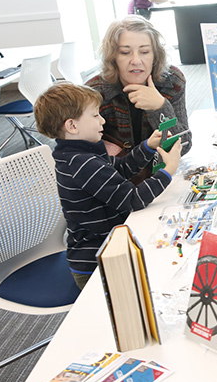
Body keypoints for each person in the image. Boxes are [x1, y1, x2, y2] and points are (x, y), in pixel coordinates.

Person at [34, 82, 181, 289]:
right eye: (95, 115)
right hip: (97, 262)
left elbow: (119, 169)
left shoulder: (78, 153)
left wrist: (147, 147)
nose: (102, 120)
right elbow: (132, 199)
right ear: (72, 126)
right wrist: (168, 172)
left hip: (107, 248)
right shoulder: (82, 163)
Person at [86, 16, 192, 159]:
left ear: (155, 55)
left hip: (163, 173)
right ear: (113, 57)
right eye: (125, 52)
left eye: (144, 52)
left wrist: (160, 107)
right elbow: (80, 154)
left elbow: (183, 146)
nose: (136, 61)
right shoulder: (95, 92)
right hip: (113, 175)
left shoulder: (172, 81)